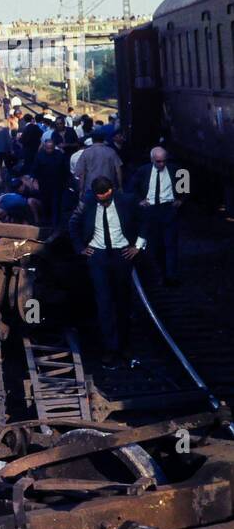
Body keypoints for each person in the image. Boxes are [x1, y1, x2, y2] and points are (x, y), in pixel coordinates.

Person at [70, 176, 145, 365]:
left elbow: (145, 221)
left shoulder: (127, 201)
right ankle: (110, 348)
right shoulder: (87, 202)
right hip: (98, 256)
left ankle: (125, 345)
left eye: (106, 197)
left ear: (112, 190)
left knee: (123, 301)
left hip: (122, 254)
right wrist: (80, 247)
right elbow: (73, 223)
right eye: (99, 198)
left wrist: (138, 245)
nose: (103, 201)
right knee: (104, 303)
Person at [131, 145, 185, 285]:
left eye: (164, 161)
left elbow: (185, 185)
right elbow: (133, 187)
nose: (162, 164)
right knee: (155, 245)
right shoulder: (143, 171)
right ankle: (161, 273)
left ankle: (171, 276)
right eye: (159, 161)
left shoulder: (175, 169)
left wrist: (181, 200)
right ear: (152, 160)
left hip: (168, 209)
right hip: (150, 210)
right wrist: (140, 201)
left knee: (170, 244)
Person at [74, 128, 122, 195]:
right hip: (108, 188)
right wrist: (120, 186)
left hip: (91, 188)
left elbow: (81, 173)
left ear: (92, 140)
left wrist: (81, 190)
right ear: (103, 139)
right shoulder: (111, 152)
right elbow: (118, 171)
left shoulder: (86, 152)